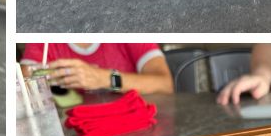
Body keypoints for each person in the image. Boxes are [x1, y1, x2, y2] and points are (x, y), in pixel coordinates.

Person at [20, 43, 173, 95]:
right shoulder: (42, 42)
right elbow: (23, 86)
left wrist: (105, 78)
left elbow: (165, 84)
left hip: (135, 127)